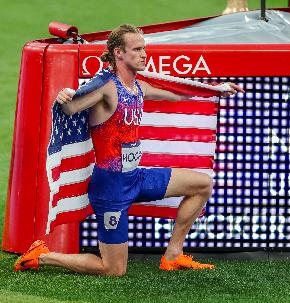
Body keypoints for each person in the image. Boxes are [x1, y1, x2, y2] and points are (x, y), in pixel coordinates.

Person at [14, 24, 243, 276]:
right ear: (119, 53)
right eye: (137, 49)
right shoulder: (105, 87)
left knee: (202, 184)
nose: (144, 54)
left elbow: (177, 96)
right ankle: (43, 256)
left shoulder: (139, 87)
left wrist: (218, 88)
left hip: (136, 178)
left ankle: (173, 255)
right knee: (113, 269)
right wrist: (64, 96)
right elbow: (70, 108)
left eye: (144, 48)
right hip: (111, 188)